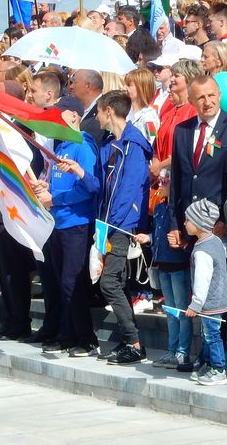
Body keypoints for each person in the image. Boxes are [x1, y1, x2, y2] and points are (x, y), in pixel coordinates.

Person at [169, 74, 227, 374]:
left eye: (211, 96)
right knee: (202, 291)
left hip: (221, 226)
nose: (207, 102)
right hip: (192, 226)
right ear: (192, 100)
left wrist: (224, 221)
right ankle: (208, 351)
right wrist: (177, 223)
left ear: (219, 95)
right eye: (200, 97)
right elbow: (179, 182)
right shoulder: (182, 130)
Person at [35, 95, 100, 357]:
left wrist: (56, 198)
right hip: (57, 223)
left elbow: (89, 187)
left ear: (73, 115)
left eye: (59, 112)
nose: (53, 117)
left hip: (76, 223)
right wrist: (43, 187)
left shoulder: (82, 144)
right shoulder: (59, 146)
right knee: (61, 282)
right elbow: (57, 180)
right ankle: (67, 334)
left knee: (73, 282)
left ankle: (86, 338)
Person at [94, 91, 152, 365]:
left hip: (121, 226)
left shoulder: (134, 145)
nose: (95, 116)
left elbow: (131, 190)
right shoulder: (108, 143)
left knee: (109, 283)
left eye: (98, 111)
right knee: (115, 283)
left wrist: (116, 223)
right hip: (106, 224)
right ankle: (128, 339)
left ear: (108, 110)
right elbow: (100, 185)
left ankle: (134, 342)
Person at [184, 198, 227, 386]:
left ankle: (219, 369)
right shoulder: (216, 242)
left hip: (210, 301)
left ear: (199, 224)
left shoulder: (202, 251)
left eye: (187, 220)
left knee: (212, 335)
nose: (184, 223)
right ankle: (209, 364)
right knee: (209, 334)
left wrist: (195, 304)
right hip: (219, 299)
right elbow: (224, 252)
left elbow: (202, 280)